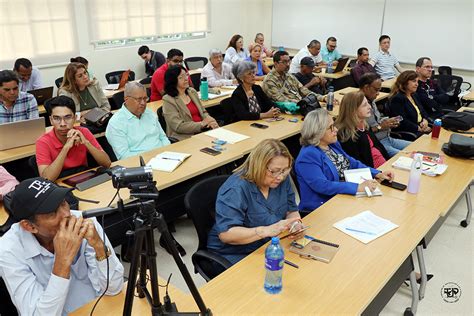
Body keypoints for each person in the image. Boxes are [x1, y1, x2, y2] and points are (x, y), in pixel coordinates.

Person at [0, 177, 124, 315]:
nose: (67, 214)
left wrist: (99, 246)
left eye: (63, 202)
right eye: (52, 213)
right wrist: (62, 261)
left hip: (99, 307)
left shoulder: (84, 221)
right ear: (29, 226)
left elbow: (114, 288)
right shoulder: (8, 250)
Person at [207, 139, 304, 265]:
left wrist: (295, 224)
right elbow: (226, 234)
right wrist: (265, 231)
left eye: (285, 170)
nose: (280, 177)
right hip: (233, 252)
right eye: (274, 171)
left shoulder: (280, 179)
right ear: (258, 165)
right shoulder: (236, 189)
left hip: (266, 244)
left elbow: (291, 210)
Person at [295, 109, 394, 212]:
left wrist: (377, 173)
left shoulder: (332, 144)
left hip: (343, 198)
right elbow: (323, 185)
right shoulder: (307, 156)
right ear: (318, 131)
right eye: (331, 127)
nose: (336, 129)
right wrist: (357, 187)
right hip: (323, 207)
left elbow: (352, 162)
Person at [36, 96, 111, 181]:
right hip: (58, 186)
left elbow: (107, 163)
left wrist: (86, 142)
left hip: (83, 178)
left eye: (67, 117)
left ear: (75, 118)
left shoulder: (84, 132)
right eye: (57, 118)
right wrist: (66, 148)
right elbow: (47, 178)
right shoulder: (43, 142)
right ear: (51, 120)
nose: (63, 124)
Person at [106, 82, 170, 160]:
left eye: (145, 98)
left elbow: (163, 138)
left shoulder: (149, 113)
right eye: (139, 99)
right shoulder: (116, 123)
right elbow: (124, 156)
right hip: (140, 164)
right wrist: (152, 157)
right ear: (126, 99)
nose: (143, 103)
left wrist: (167, 152)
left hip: (164, 157)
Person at [359, 73, 411, 157]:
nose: (378, 93)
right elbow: (362, 134)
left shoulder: (370, 100)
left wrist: (388, 122)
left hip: (387, 138)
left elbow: (377, 120)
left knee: (416, 147)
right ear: (366, 88)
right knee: (407, 157)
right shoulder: (359, 105)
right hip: (377, 143)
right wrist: (380, 127)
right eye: (376, 90)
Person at [162, 65, 218, 140]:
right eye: (181, 77)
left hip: (203, 130)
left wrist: (211, 121)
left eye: (186, 75)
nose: (186, 79)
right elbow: (178, 126)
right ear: (173, 81)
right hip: (184, 137)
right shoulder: (168, 100)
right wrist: (201, 125)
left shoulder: (192, 92)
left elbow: (203, 112)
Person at [335, 91, 389, 168]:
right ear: (353, 110)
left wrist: (389, 162)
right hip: (374, 173)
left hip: (385, 165)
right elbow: (358, 164)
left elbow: (378, 146)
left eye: (368, 103)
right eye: (364, 105)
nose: (369, 107)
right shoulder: (346, 134)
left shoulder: (364, 125)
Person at [262, 51, 327, 103]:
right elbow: (281, 100)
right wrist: (304, 103)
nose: (288, 64)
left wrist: (322, 98)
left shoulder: (289, 76)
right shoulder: (270, 80)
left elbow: (303, 90)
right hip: (286, 111)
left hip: (300, 104)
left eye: (288, 61)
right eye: (284, 62)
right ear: (276, 63)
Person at [389, 70, 431, 139]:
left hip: (420, 127)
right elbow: (401, 120)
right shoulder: (397, 99)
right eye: (414, 81)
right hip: (409, 132)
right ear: (405, 82)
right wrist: (419, 128)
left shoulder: (414, 95)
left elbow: (423, 111)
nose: (417, 84)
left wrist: (425, 120)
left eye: (417, 81)